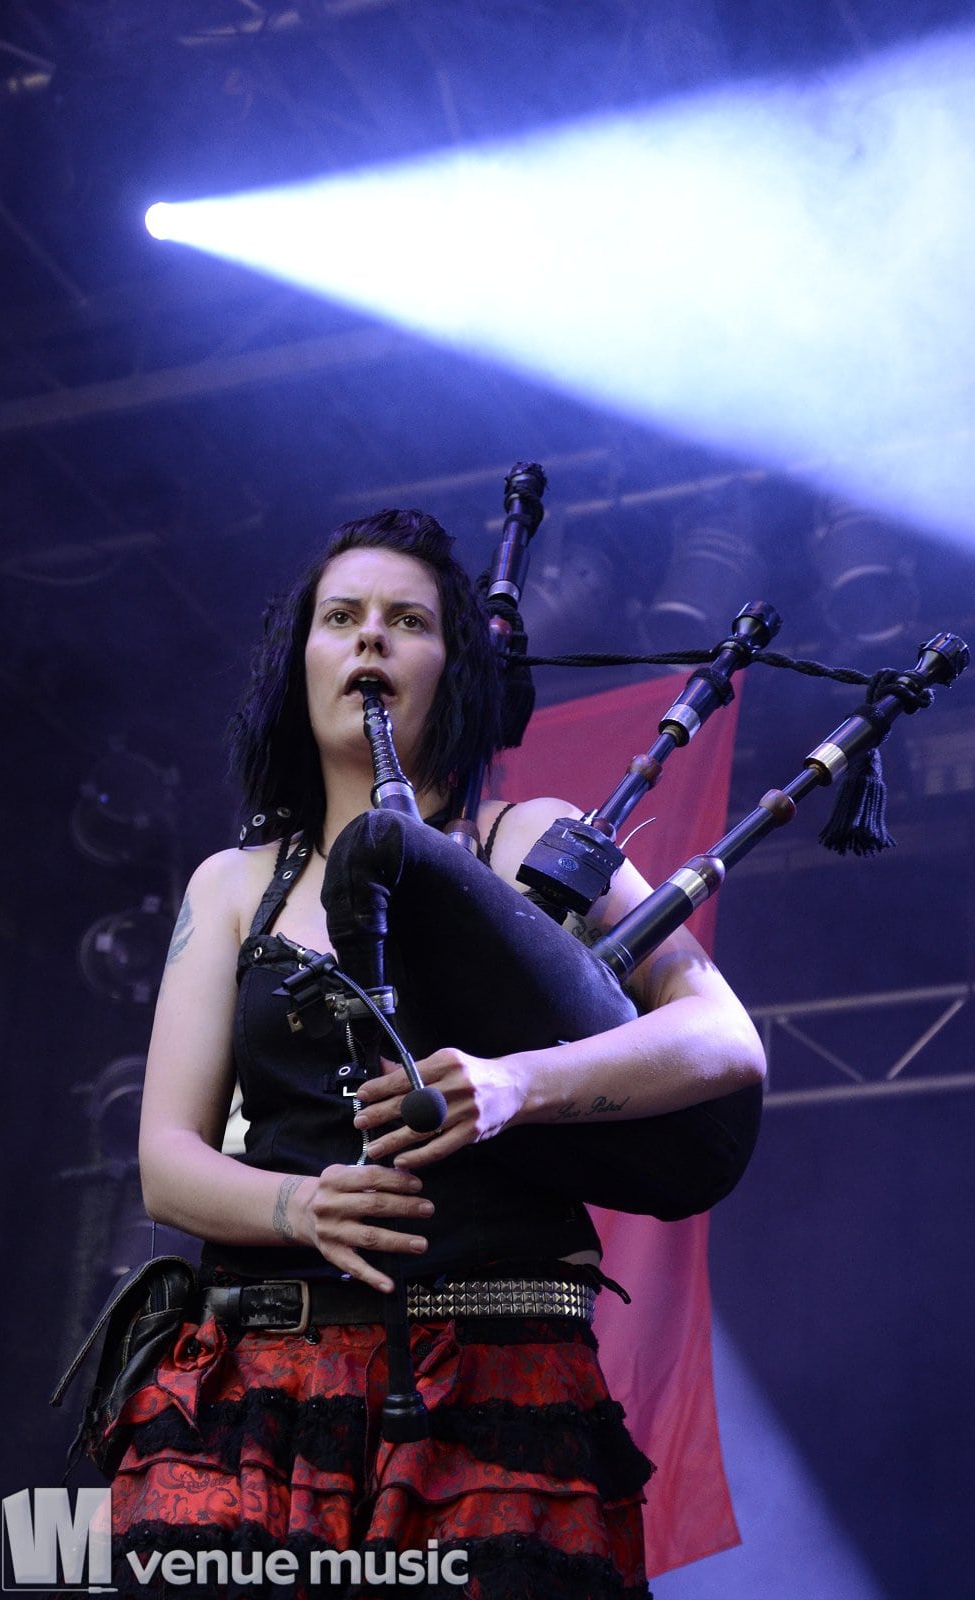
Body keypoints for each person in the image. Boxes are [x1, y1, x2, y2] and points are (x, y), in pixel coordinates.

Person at [109, 508, 765, 1598]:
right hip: (264, 1389)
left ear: (452, 670)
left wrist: (518, 1084)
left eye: (406, 620)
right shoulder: (231, 884)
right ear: (300, 662)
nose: (370, 636)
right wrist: (303, 1207)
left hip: (495, 1378)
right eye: (341, 617)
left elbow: (722, 1036)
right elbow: (167, 1161)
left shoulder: (531, 838)